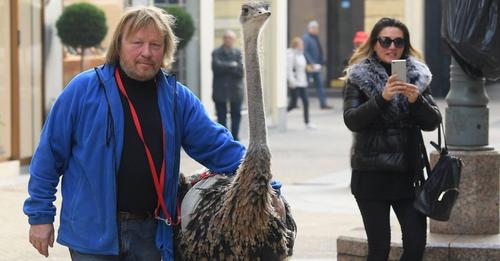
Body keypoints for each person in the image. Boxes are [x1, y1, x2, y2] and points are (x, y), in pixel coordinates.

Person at [23, 6, 245, 261]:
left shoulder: (177, 98)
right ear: (119, 45)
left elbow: (220, 148)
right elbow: (49, 156)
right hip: (91, 235)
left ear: (165, 50)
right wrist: (40, 216)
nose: (146, 52)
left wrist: (266, 185)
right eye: (137, 43)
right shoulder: (83, 90)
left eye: (155, 44)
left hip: (151, 235)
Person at [343, 17, 441, 261]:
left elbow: (433, 122)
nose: (392, 46)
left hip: (409, 177)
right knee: (379, 248)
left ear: (405, 45)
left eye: (398, 41)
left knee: (416, 245)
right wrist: (382, 98)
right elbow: (352, 120)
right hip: (371, 177)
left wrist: (416, 100)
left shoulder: (417, 75)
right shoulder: (359, 76)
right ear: (375, 43)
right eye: (385, 40)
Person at [212, 29, 244, 140]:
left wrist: (225, 66)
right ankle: (224, 139)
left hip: (236, 90)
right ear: (223, 39)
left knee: (236, 115)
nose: (228, 40)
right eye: (226, 38)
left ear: (234, 40)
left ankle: (235, 137)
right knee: (221, 116)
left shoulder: (239, 53)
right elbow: (216, 68)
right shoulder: (216, 52)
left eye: (230, 38)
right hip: (220, 90)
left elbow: (241, 71)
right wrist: (233, 65)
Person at [302, 20, 332, 109]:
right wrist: (311, 63)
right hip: (310, 66)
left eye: (316, 28)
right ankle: (304, 103)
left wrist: (321, 61)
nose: (316, 30)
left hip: (317, 66)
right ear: (310, 28)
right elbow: (305, 51)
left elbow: (319, 51)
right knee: (305, 85)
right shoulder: (306, 38)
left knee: (320, 85)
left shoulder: (315, 38)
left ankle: (323, 104)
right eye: (314, 28)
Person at [287, 37, 313, 129]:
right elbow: (289, 70)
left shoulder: (302, 55)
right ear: (296, 45)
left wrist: (310, 70)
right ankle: (281, 115)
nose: (302, 46)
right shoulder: (291, 55)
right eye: (300, 44)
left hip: (303, 82)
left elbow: (303, 68)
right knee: (293, 104)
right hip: (295, 83)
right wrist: (292, 81)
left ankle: (307, 122)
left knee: (306, 102)